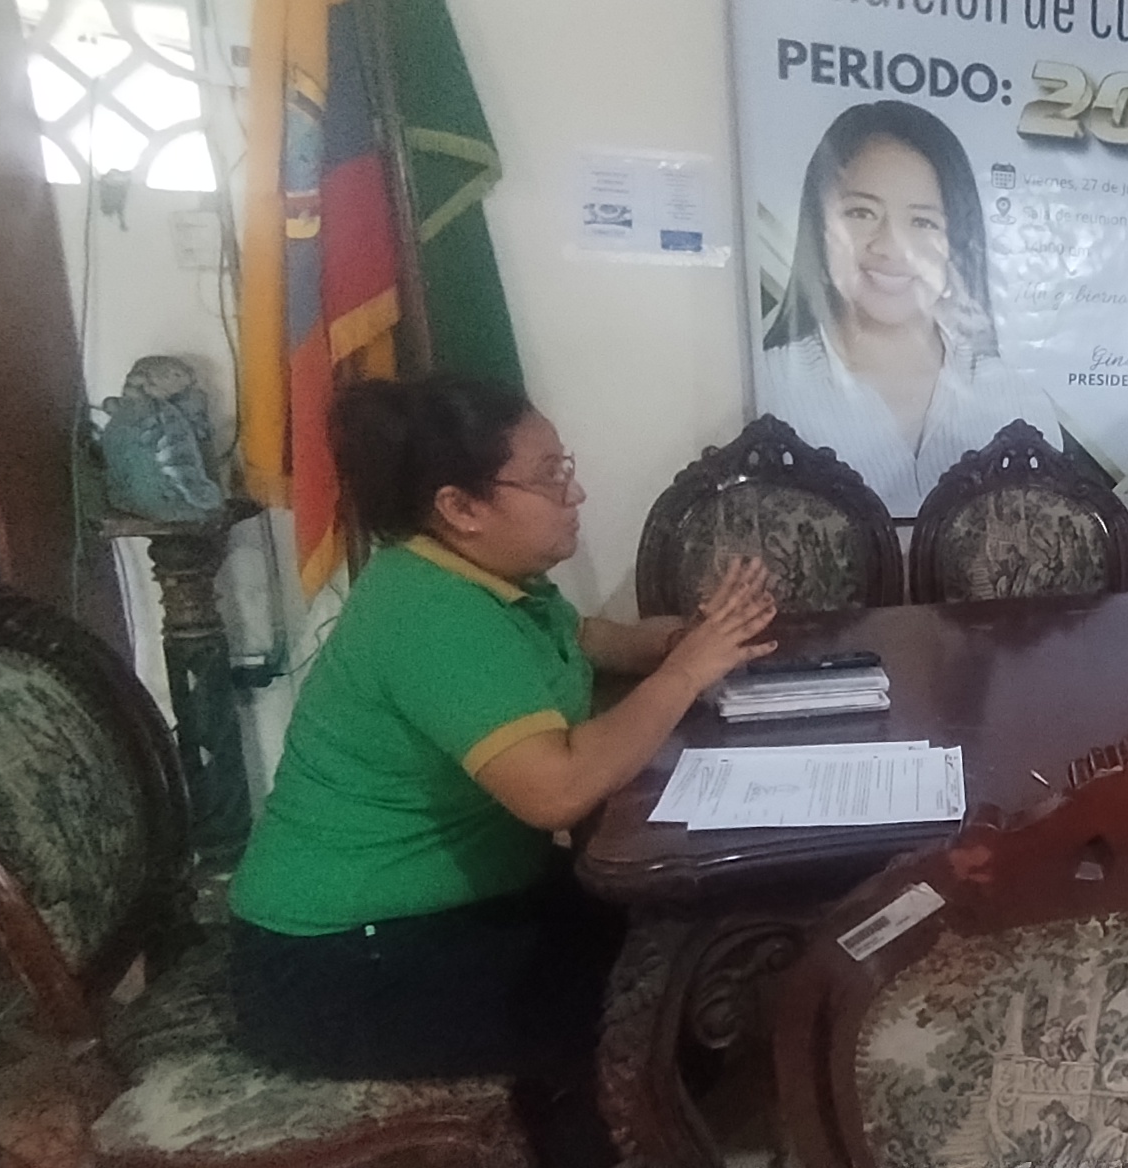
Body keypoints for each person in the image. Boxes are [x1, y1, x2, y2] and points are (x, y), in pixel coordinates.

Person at [227, 376, 781, 1167]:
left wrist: (685, 639)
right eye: (550, 477)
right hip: (338, 963)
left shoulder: (489, 580)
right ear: (461, 507)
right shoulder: (430, 613)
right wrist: (687, 671)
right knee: (636, 1008)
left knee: (677, 935)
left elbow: (586, 640)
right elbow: (556, 790)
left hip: (445, 911)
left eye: (566, 467)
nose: (575, 493)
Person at [753, 99, 1059, 516]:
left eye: (922, 222)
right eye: (861, 213)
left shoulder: (1020, 404)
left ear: (958, 243)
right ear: (818, 227)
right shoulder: (764, 391)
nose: (891, 247)